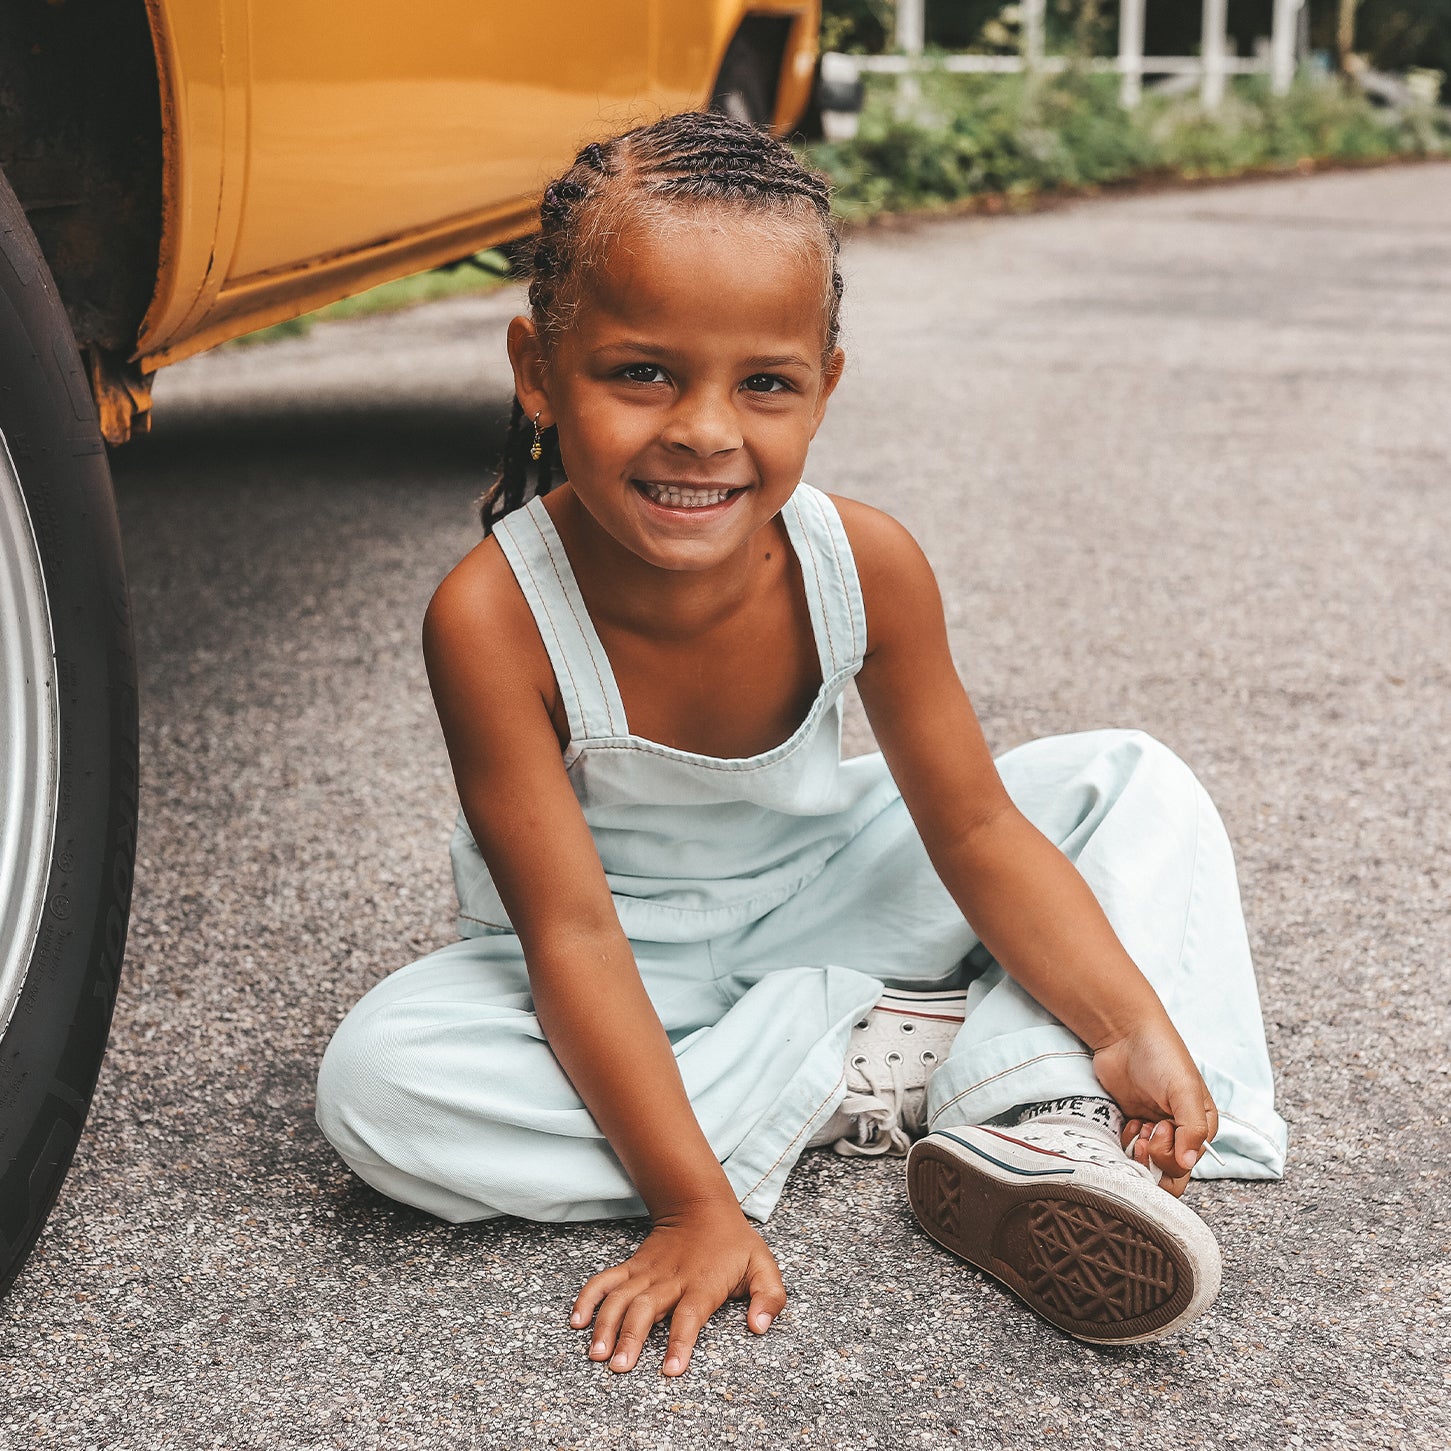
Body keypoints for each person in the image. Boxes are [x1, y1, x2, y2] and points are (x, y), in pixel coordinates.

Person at [315, 111, 1286, 1376]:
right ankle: (940, 1074)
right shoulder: (491, 616)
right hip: (621, 968)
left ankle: (1039, 1096)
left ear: (825, 384)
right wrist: (693, 1207)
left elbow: (975, 829)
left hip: (828, 891)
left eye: (763, 383)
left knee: (1127, 782)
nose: (705, 430)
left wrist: (1128, 1018)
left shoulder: (863, 561)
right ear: (537, 369)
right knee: (381, 1091)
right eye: (640, 373)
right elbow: (571, 935)